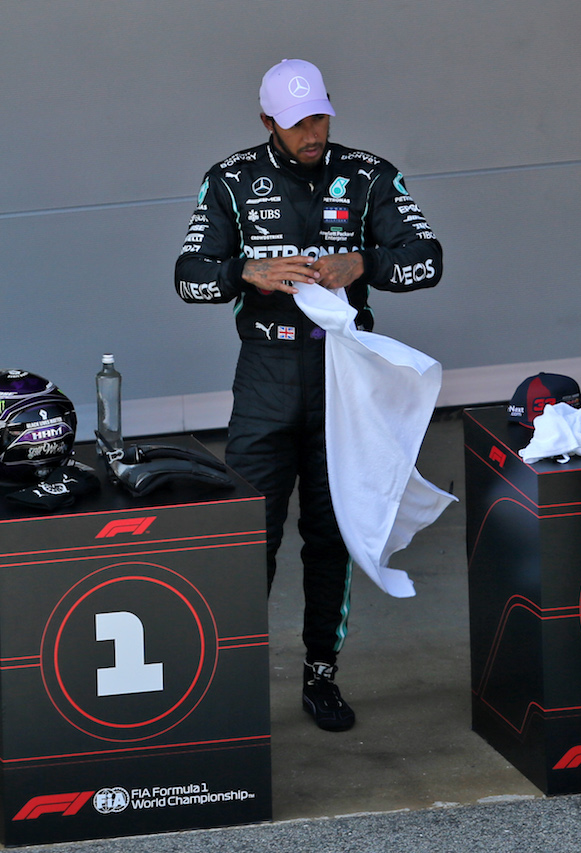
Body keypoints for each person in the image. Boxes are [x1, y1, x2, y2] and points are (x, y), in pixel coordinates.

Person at [174, 58, 443, 731]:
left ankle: (321, 673)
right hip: (265, 375)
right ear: (268, 121)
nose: (312, 132)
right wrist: (246, 271)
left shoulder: (369, 174)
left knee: (331, 535)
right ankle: (231, 680)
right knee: (249, 534)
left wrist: (366, 262)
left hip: (345, 381)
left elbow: (429, 258)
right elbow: (186, 276)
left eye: (320, 116)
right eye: (297, 123)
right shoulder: (229, 179)